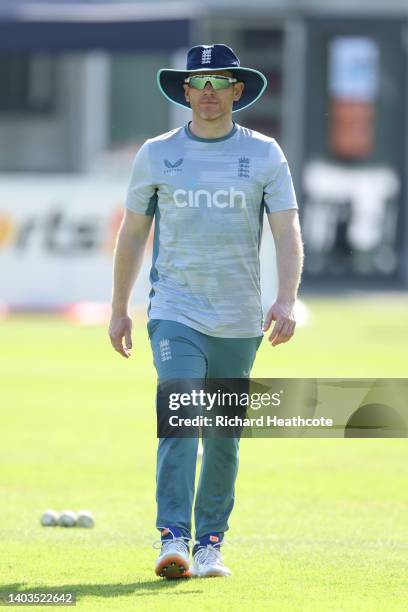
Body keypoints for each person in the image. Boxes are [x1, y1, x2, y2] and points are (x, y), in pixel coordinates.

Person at [108, 44, 303, 579]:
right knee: (181, 420)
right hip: (175, 309)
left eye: (221, 82)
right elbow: (132, 233)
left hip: (240, 319)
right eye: (201, 82)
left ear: (237, 91)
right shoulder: (156, 153)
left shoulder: (265, 153)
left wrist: (286, 299)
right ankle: (173, 537)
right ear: (185, 91)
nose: (210, 92)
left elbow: (287, 232)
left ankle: (210, 543)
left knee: (222, 436)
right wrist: (119, 308)